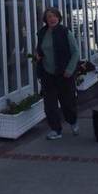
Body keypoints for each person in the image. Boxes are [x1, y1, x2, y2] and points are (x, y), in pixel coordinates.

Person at [34, 7, 80, 140]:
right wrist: (38, 56)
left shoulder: (65, 32)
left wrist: (69, 70)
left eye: (54, 16)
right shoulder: (42, 33)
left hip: (64, 74)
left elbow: (75, 52)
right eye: (49, 16)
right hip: (47, 74)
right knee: (50, 105)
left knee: (67, 103)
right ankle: (55, 129)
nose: (52, 19)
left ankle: (72, 121)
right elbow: (40, 50)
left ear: (59, 18)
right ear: (45, 19)